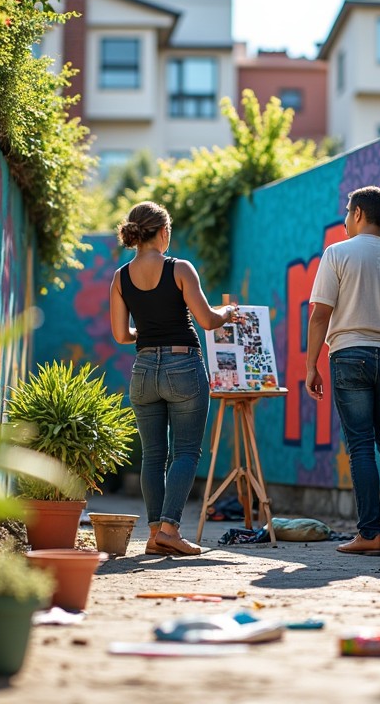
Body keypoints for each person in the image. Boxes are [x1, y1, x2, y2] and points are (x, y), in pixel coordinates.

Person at [110, 201, 238, 556]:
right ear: (163, 232)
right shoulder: (179, 268)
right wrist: (228, 311)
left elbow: (121, 335)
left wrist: (148, 333)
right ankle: (170, 530)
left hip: (143, 370)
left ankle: (154, 533)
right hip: (183, 367)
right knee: (185, 451)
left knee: (153, 455)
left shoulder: (120, 277)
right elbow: (208, 320)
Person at [305, 186, 380, 556]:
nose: (344, 218)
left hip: (349, 356)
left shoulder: (337, 253)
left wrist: (310, 364)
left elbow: (321, 313)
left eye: (346, 211)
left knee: (360, 446)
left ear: (357, 213)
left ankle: (369, 534)